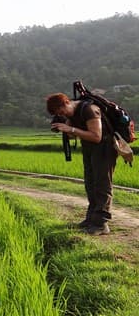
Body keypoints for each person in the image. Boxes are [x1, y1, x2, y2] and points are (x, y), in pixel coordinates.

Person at [47, 92, 117, 235]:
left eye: (61, 111)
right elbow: (74, 134)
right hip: (89, 148)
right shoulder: (70, 114)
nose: (62, 114)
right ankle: (91, 218)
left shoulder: (89, 109)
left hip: (104, 147)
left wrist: (71, 129)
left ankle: (101, 223)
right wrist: (65, 128)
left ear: (66, 103)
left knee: (102, 184)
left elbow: (96, 136)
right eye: (58, 113)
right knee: (90, 183)